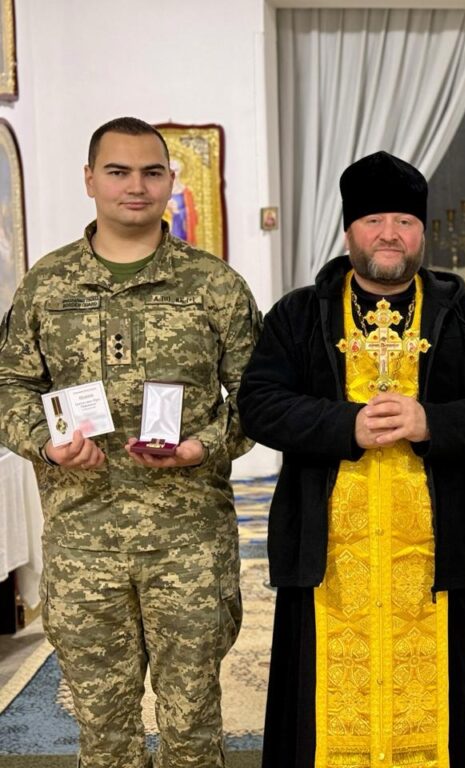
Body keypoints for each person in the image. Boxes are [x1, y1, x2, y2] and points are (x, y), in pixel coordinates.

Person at [237, 151, 465, 768]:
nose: (389, 234)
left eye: (404, 221)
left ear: (422, 231)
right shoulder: (299, 314)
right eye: (374, 220)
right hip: (328, 558)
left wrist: (429, 422)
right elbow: (258, 404)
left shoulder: (462, 316)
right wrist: (344, 424)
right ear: (349, 231)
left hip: (434, 558)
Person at [0, 116, 261, 767]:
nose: (135, 186)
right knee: (103, 729)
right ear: (90, 179)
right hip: (83, 539)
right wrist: (47, 442)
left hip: (188, 540)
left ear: (170, 181)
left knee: (192, 724)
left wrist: (203, 446)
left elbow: (260, 400)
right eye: (118, 171)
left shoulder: (214, 285)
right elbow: (9, 388)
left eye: (151, 172)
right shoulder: (47, 286)